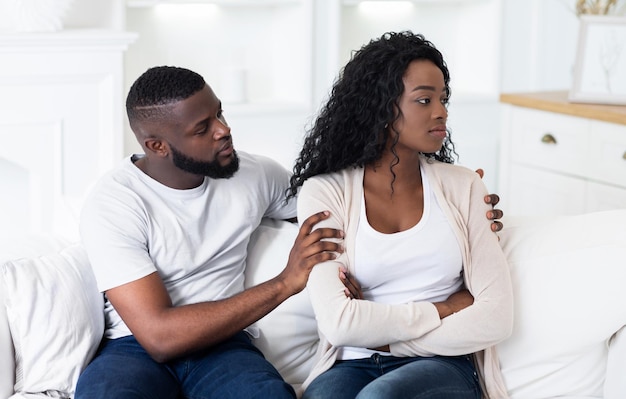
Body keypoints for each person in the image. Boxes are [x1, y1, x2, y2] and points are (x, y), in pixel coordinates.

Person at [74, 65, 344, 399]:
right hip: (134, 350)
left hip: (225, 347)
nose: (224, 130)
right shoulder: (115, 203)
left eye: (219, 114)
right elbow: (158, 337)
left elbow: (335, 207)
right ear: (158, 146)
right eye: (203, 128)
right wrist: (284, 282)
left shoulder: (255, 174)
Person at [287, 31, 514, 399]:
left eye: (443, 98)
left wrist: (393, 344)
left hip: (442, 362)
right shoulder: (326, 192)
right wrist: (445, 307)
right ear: (380, 106)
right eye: (424, 100)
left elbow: (496, 317)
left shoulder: (464, 186)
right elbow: (340, 324)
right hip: (350, 362)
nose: (441, 111)